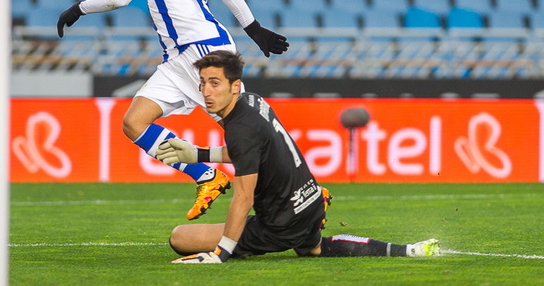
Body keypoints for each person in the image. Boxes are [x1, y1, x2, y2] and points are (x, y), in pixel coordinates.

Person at [56, 0, 289, 220]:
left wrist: (78, 8)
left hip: (206, 53)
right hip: (178, 59)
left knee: (244, 132)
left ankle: (298, 190)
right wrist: (253, 29)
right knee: (134, 123)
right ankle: (207, 176)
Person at [158, 50, 441, 264]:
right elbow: (254, 152)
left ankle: (247, 245)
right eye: (203, 83)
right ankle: (409, 250)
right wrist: (199, 153)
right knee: (315, 248)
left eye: (215, 83)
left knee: (179, 237)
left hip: (280, 223)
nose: (206, 92)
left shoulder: (240, 129)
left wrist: (223, 251)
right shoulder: (253, 100)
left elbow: (243, 197)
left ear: (234, 86)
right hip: (310, 199)